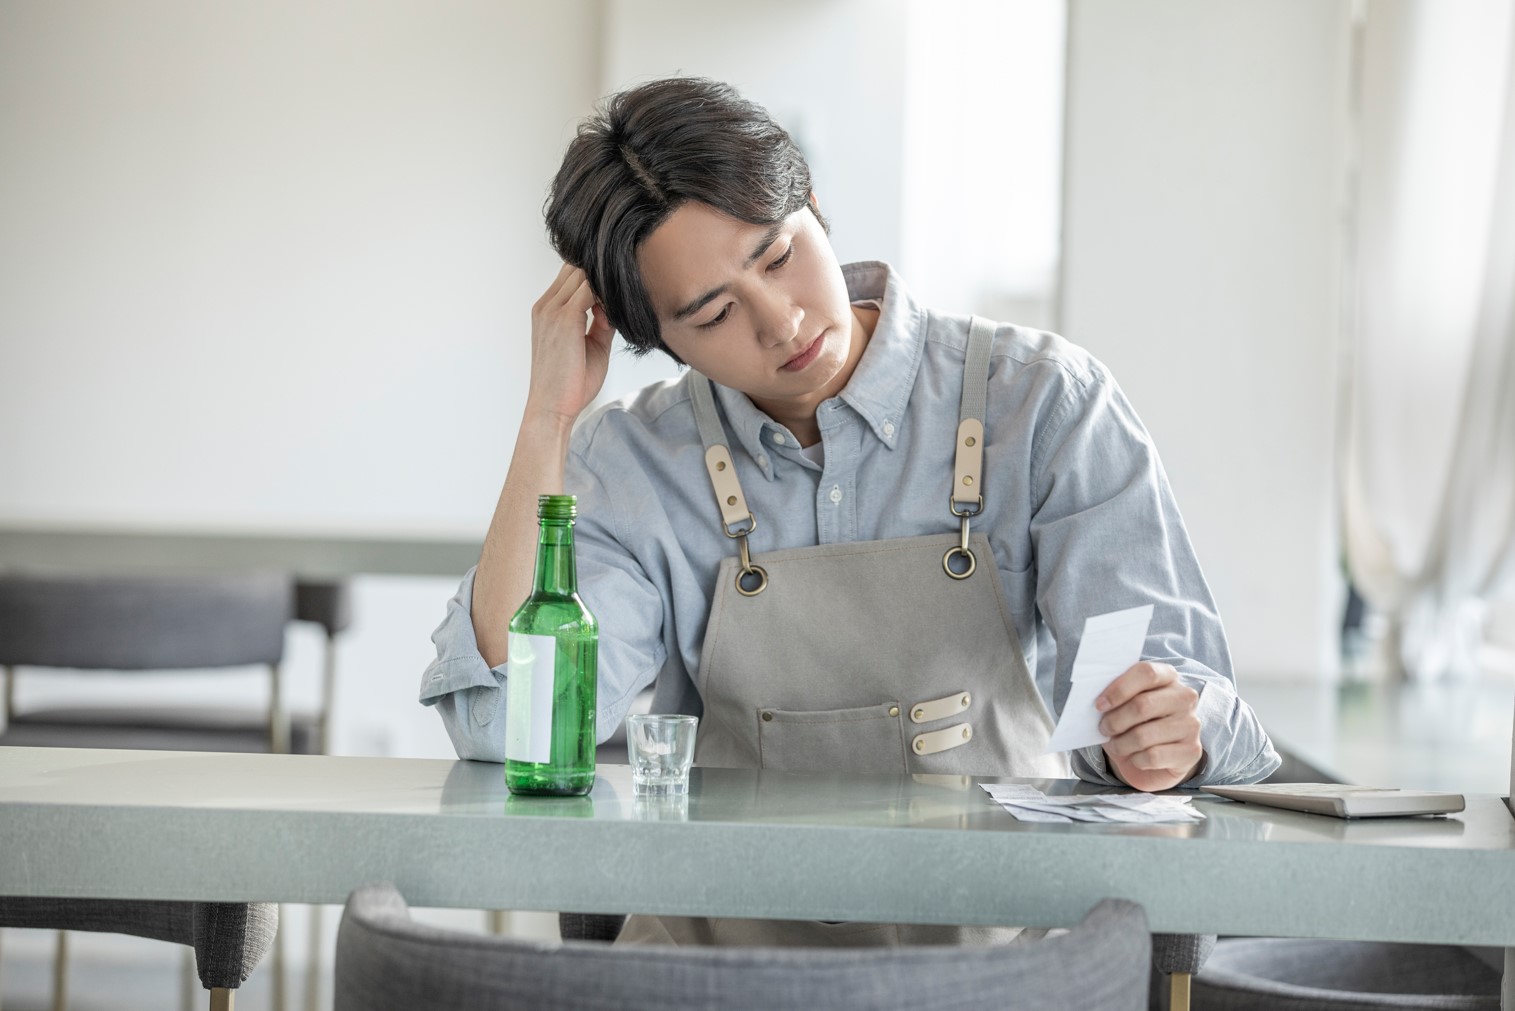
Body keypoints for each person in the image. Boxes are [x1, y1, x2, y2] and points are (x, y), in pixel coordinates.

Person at [420, 76, 1280, 946]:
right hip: (712, 977)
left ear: (816, 208)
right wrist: (547, 419)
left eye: (778, 254)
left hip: (1003, 971)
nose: (782, 320)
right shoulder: (633, 462)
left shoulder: (1047, 404)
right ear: (652, 338)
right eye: (714, 313)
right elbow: (506, 725)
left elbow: (1186, 698)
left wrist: (1172, 731)